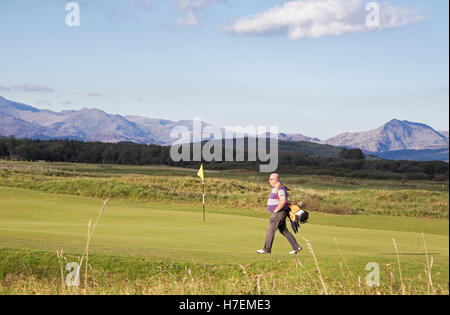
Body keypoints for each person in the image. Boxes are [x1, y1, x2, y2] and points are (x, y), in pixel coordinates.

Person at [256, 173, 302, 255]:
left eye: (271, 179)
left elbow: (283, 200)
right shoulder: (276, 187)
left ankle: (266, 249)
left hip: (279, 213)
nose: (269, 181)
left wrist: (276, 210)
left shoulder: (280, 187)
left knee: (270, 230)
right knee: (283, 230)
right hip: (280, 212)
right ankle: (296, 247)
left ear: (276, 180)